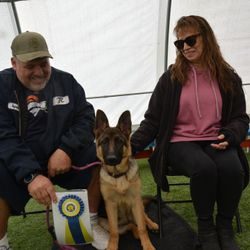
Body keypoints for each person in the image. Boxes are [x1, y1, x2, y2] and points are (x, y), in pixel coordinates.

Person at [131, 15, 249, 250]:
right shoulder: (170, 79)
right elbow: (152, 120)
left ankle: (223, 227)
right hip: (178, 142)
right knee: (203, 169)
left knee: (232, 168)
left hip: (216, 138)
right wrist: (129, 147)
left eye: (191, 40)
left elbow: (240, 118)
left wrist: (231, 134)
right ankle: (206, 229)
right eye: (179, 43)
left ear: (207, 39)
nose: (185, 47)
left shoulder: (227, 76)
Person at [0, 31, 108, 250]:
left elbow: (86, 119)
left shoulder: (66, 81)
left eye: (44, 63)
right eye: (31, 66)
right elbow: (4, 137)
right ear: (14, 63)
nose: (39, 72)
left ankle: (92, 222)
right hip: (21, 163)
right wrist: (31, 176)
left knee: (96, 156)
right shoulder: (2, 87)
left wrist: (66, 149)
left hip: (61, 158)